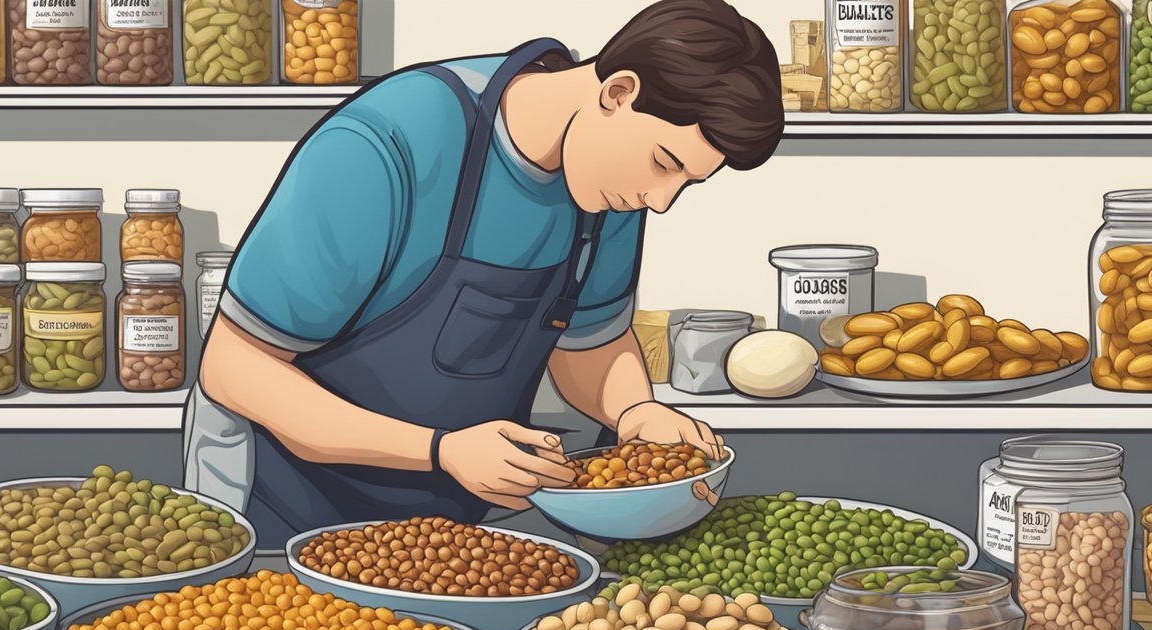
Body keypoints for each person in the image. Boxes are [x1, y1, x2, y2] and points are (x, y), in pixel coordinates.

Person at [185, 0, 785, 543]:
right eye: (665, 163)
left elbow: (588, 343)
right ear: (619, 92)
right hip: (282, 506)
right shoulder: (389, 142)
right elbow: (237, 368)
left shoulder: (608, 184)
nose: (660, 200)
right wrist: (440, 451)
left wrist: (634, 412)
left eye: (685, 182)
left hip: (452, 522)